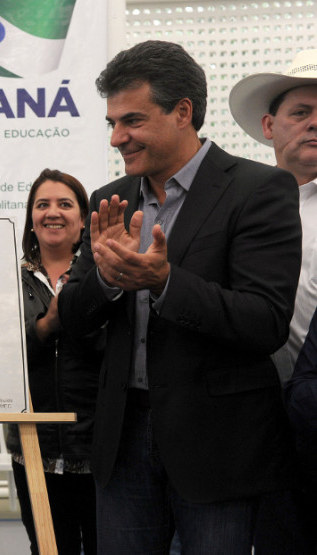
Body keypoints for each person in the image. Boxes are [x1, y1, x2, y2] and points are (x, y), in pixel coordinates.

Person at [57, 40, 301, 554]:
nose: (118, 138)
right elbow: (75, 320)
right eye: (112, 124)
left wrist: (164, 282)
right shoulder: (109, 202)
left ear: (183, 112)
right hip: (122, 443)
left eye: (132, 121)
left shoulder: (259, 191)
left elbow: (264, 321)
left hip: (218, 448)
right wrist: (105, 279)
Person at [230, 49, 317, 553]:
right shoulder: (238, 209)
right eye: (300, 113)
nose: (313, 125)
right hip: (258, 422)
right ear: (269, 126)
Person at [6, 169, 101, 555]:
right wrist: (46, 326)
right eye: (42, 204)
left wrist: (80, 311)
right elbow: (1, 358)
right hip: (32, 449)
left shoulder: (105, 276)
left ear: (83, 219)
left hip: (101, 450)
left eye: (65, 204)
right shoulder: (7, 281)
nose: (53, 212)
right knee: (48, 549)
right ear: (31, 218)